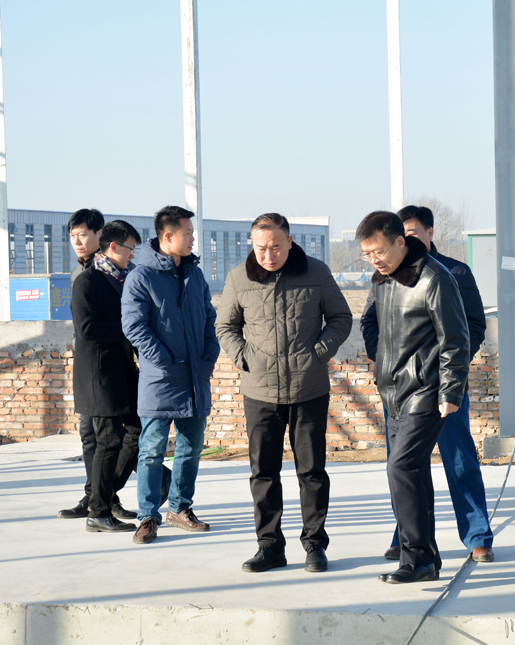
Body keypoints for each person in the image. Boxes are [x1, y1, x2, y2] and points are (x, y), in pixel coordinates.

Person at [216, 213, 352, 574]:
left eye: (276, 246)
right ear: (252, 244)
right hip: (259, 391)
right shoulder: (239, 277)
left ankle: (315, 545)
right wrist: (245, 358)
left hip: (308, 388)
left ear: (290, 242)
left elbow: (341, 318)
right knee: (263, 472)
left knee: (312, 471)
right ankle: (270, 547)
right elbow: (225, 326)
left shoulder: (316, 272)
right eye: (261, 247)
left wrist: (318, 353)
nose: (268, 254)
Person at [360, 205, 494, 563]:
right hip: (398, 390)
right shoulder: (383, 276)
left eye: (411, 233)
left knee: (458, 459)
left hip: (440, 388)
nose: (377, 257)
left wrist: (447, 376)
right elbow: (370, 322)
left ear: (426, 233)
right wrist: (387, 361)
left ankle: (476, 534)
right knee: (405, 469)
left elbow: (468, 329)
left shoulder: (450, 273)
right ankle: (406, 538)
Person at [122, 206, 220, 545]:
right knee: (151, 450)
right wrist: (163, 360)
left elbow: (209, 317)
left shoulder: (195, 274)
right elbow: (134, 326)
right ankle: (147, 517)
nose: (193, 238)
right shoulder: (141, 277)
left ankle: (180, 508)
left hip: (194, 377)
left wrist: (209, 355)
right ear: (168, 236)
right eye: (187, 233)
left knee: (191, 448)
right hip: (160, 380)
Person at [71, 220, 144, 533]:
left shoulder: (124, 279)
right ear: (113, 247)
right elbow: (86, 328)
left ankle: (103, 494)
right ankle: (98, 512)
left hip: (123, 369)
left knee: (140, 428)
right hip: (98, 374)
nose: (132, 254)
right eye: (130, 248)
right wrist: (128, 329)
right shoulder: (87, 281)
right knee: (108, 439)